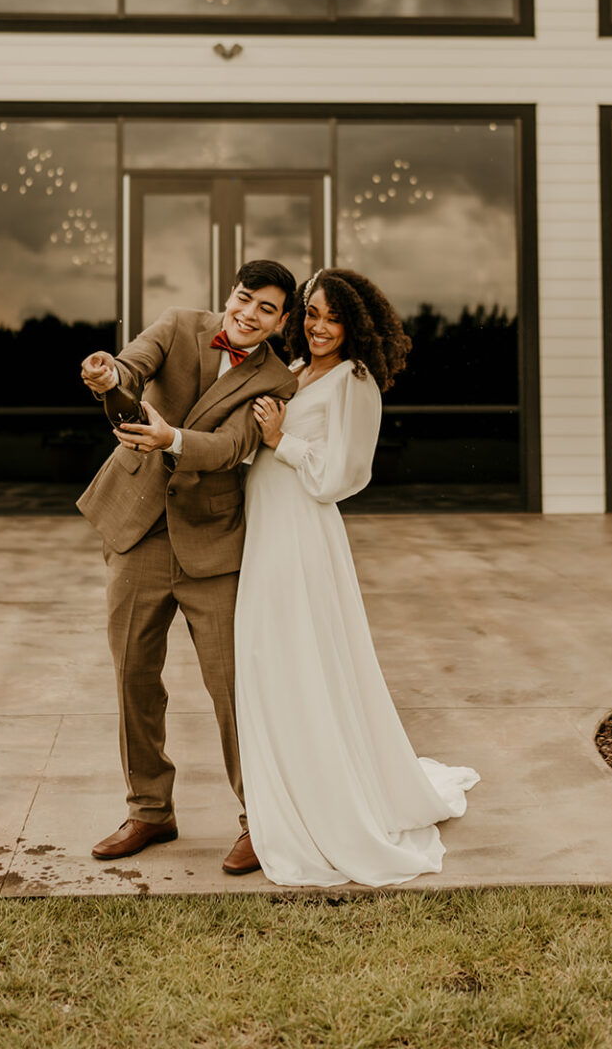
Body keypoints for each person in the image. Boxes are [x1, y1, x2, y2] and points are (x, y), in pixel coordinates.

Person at [237, 267, 480, 886]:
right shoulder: (293, 371)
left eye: (332, 317)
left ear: (354, 325)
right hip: (264, 530)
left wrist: (280, 438)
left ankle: (326, 798)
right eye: (311, 314)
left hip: (301, 536)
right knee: (269, 661)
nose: (318, 326)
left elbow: (343, 477)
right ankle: (282, 787)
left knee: (301, 660)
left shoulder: (356, 381)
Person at [77, 259, 298, 875]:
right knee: (134, 678)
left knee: (233, 688)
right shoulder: (177, 325)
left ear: (282, 323)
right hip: (139, 528)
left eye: (266, 309)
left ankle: (260, 818)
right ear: (230, 295)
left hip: (213, 543)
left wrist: (170, 438)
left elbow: (231, 447)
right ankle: (149, 810)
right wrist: (106, 374)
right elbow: (131, 369)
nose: (248, 314)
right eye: (244, 298)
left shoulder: (278, 379)